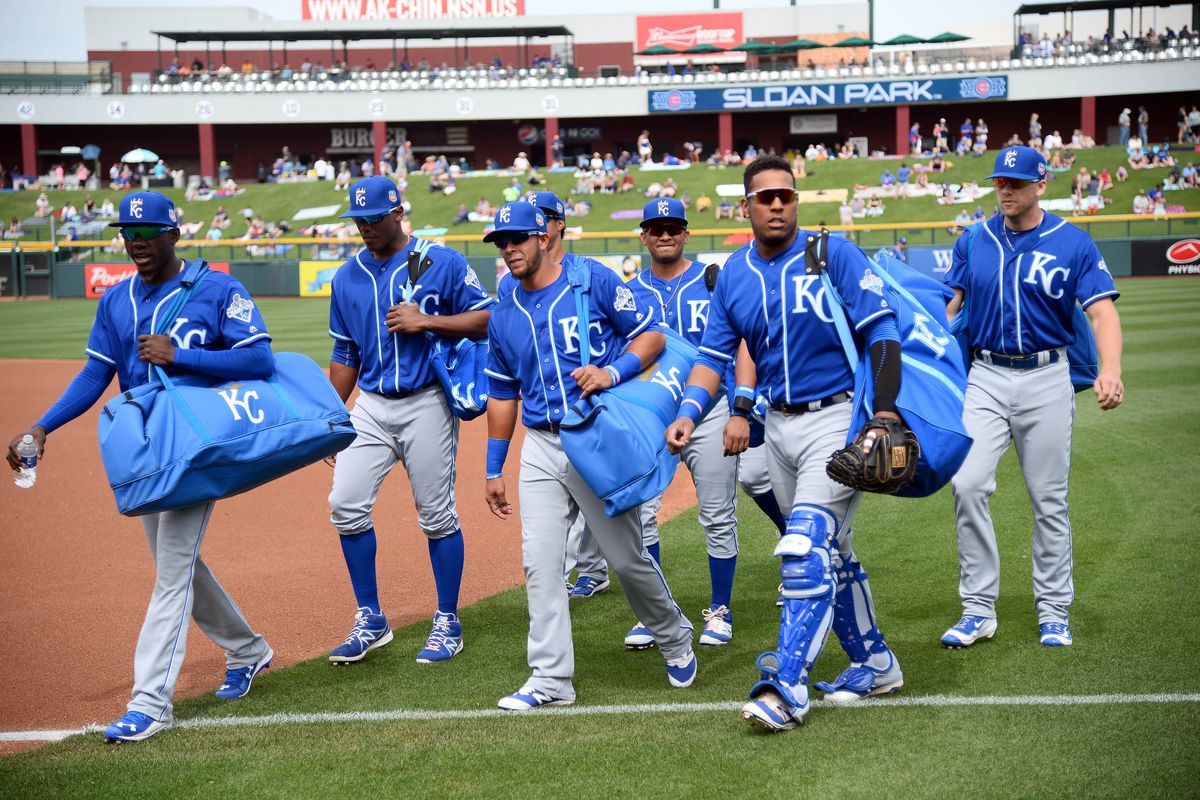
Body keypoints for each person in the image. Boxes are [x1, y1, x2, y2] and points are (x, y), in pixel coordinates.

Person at [7, 191, 276, 743]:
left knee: (171, 573)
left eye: (148, 232)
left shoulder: (216, 287)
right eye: (129, 234)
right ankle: (248, 649)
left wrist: (184, 357)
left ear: (174, 234)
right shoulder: (117, 301)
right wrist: (41, 426)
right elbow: (93, 375)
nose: (137, 242)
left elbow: (258, 358)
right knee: (180, 565)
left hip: (198, 447)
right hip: (147, 447)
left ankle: (150, 702)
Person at [666, 156, 906, 732]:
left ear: (796, 201)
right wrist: (688, 411)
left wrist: (885, 410)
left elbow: (882, 331)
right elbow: (712, 357)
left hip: (839, 417)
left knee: (804, 546)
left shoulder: (832, 253)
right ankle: (876, 663)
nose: (778, 204)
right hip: (779, 426)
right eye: (765, 197)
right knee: (836, 552)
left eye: (787, 195)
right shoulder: (735, 277)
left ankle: (788, 686)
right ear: (744, 207)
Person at [482, 200, 697, 710]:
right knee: (540, 564)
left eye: (517, 238)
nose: (509, 248)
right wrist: (493, 466)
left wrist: (613, 372)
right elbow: (501, 392)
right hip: (540, 444)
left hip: (594, 435)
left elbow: (651, 334)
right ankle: (551, 679)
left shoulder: (591, 281)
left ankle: (673, 634)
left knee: (625, 559)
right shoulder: (504, 308)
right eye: (501, 242)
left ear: (543, 237)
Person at [941, 146, 1123, 650]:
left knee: (1049, 500)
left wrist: (1111, 369)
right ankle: (978, 608)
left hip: (1047, 377)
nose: (1005, 190)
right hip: (986, 375)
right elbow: (948, 304)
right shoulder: (974, 239)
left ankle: (1053, 609)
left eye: (1016, 183)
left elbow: (1102, 311)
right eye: (1000, 181)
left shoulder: (1073, 242)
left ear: (1041, 185)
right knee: (969, 484)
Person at [323, 177, 496, 666]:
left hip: (427, 402)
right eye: (357, 220)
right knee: (345, 504)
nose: (364, 228)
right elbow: (344, 355)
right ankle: (370, 618)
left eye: (373, 219)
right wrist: (332, 419)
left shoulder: (442, 261)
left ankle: (447, 620)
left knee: (436, 514)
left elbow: (489, 318)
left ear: (397, 213)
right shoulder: (346, 277)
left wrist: (428, 321)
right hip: (372, 406)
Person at [577, 198, 746, 649]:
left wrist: (742, 406)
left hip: (709, 411)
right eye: (657, 228)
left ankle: (720, 607)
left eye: (673, 227)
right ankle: (657, 614)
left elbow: (739, 340)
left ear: (687, 233)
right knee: (643, 518)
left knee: (716, 513)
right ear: (644, 235)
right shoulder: (627, 292)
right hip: (649, 417)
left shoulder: (713, 280)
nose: (665, 235)